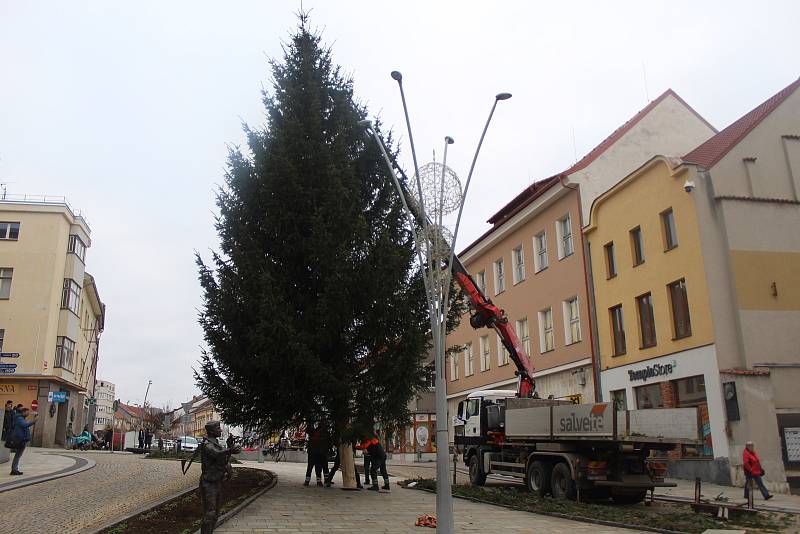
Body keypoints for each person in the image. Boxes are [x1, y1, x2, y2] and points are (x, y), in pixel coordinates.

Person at [198, 420, 241, 533]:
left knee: (216, 513)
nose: (221, 430)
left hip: (217, 481)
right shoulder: (207, 444)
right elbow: (215, 453)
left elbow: (220, 460)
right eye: (218, 428)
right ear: (212, 431)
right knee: (210, 513)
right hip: (208, 482)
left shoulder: (216, 443)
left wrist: (228, 467)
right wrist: (229, 450)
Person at [6, 407, 39, 475]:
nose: (28, 413)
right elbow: (25, 425)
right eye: (27, 412)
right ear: (23, 412)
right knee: (18, 455)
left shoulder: (20, 418)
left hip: (22, 439)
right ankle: (14, 470)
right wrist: (34, 421)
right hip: (20, 439)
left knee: (18, 455)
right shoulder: (19, 418)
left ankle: (15, 469)